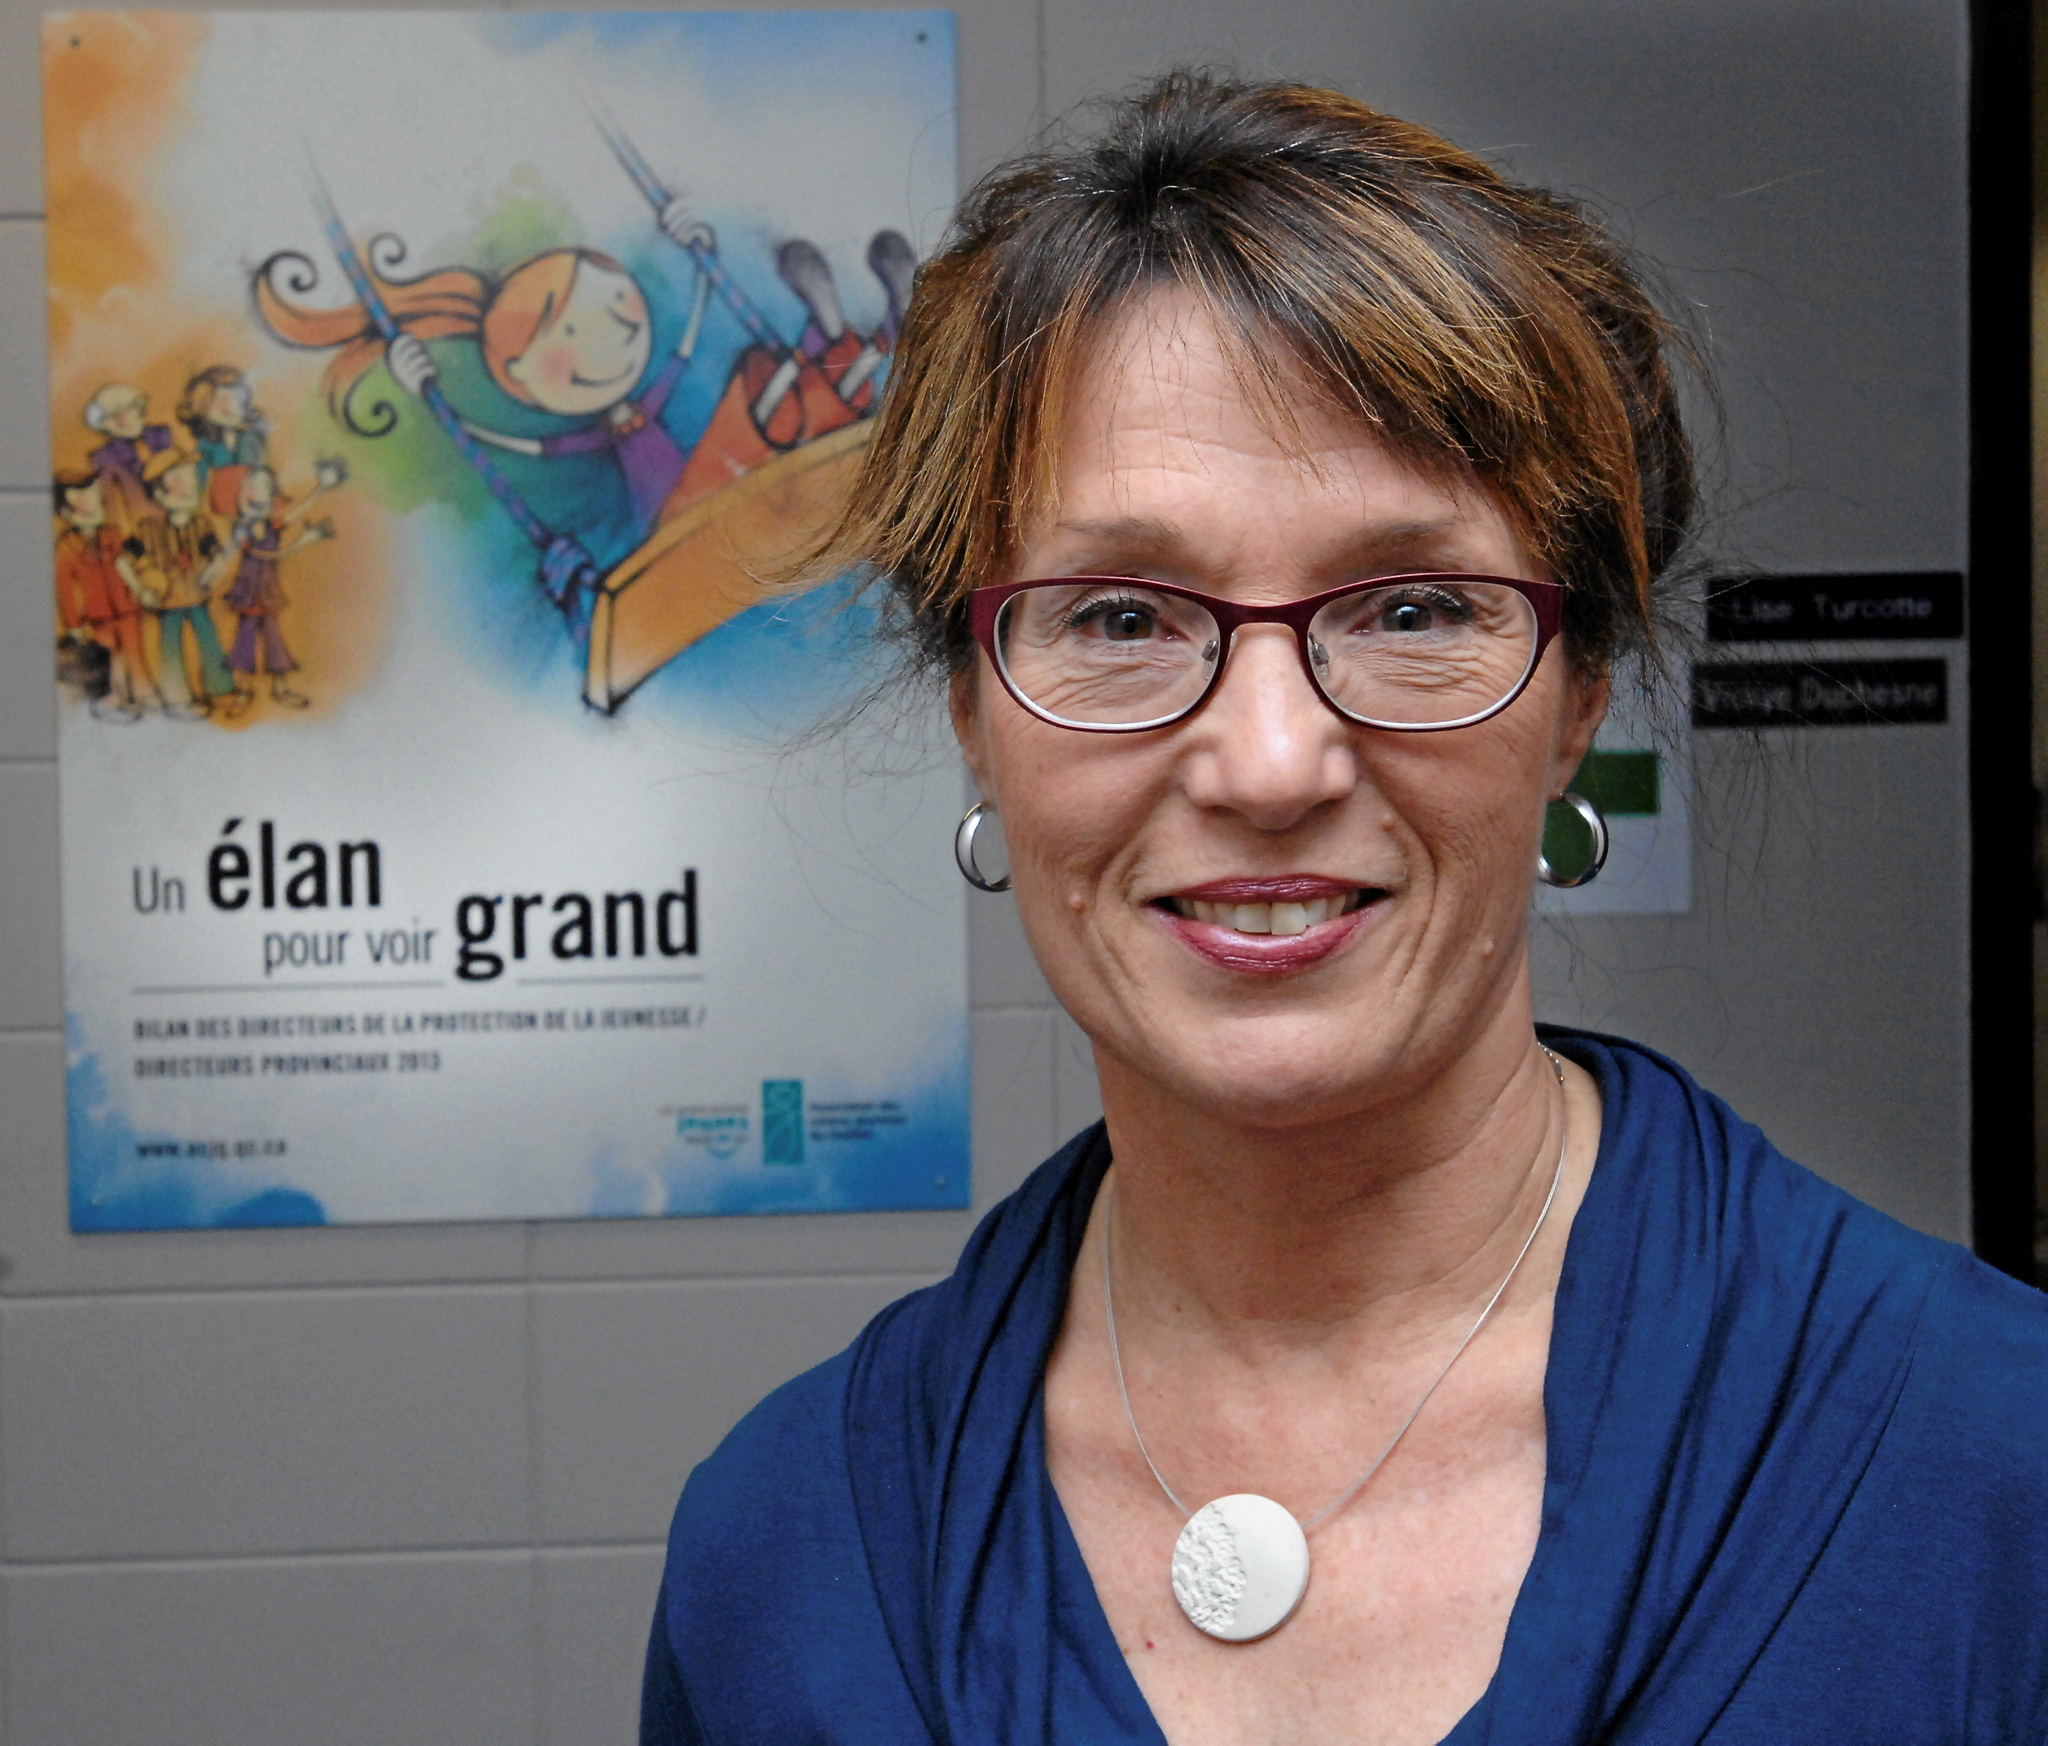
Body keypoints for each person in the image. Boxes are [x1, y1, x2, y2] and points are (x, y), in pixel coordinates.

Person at [641, 74, 2048, 1744]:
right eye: (1118, 618)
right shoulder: (790, 1557)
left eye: (1412, 608)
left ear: (1578, 693)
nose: (1269, 761)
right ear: (972, 706)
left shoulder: (1987, 1464)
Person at [126, 448, 234, 719]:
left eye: (193, 482)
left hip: (197, 597)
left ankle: (221, 691)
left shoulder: (202, 525)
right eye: (179, 483)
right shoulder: (148, 529)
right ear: (159, 494)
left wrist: (212, 572)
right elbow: (122, 561)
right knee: (170, 650)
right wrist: (140, 590)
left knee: (210, 642)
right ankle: (177, 700)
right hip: (166, 602)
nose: (190, 488)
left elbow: (218, 558)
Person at [53, 468, 161, 720]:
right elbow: (64, 590)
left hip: (127, 608)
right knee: (109, 658)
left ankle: (143, 693)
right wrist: (73, 625)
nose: (98, 510)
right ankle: (112, 699)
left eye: (99, 503)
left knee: (134, 653)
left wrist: (140, 591)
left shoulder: (112, 534)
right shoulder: (66, 549)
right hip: (98, 616)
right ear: (66, 514)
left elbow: (123, 565)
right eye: (88, 508)